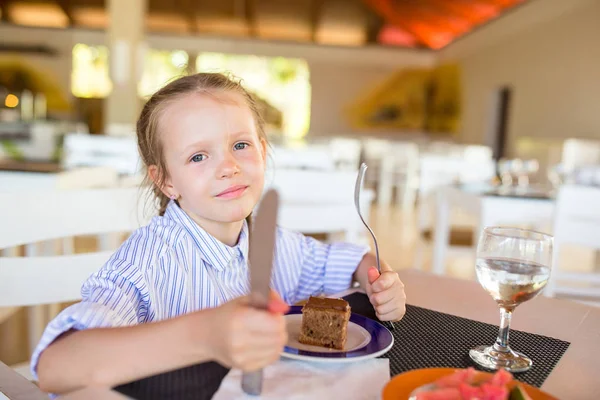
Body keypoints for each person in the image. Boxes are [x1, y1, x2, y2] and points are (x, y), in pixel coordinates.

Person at [33, 72, 406, 395]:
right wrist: (206, 334)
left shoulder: (271, 243)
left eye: (240, 145)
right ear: (165, 181)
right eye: (198, 156)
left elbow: (347, 260)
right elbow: (55, 366)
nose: (228, 166)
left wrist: (377, 278)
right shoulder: (149, 261)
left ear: (262, 150)